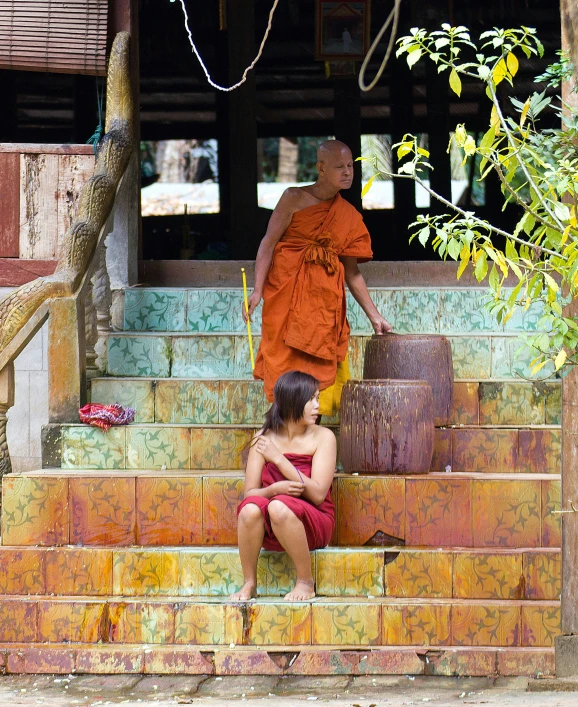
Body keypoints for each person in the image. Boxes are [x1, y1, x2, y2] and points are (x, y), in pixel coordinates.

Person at [243, 139, 393, 417]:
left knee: (317, 373)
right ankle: (281, 437)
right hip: (286, 297)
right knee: (285, 368)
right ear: (321, 168)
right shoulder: (293, 198)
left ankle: (312, 439)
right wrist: (257, 291)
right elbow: (268, 243)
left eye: (350, 166)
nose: (347, 172)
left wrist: (375, 316)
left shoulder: (347, 215)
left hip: (322, 307)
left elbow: (352, 272)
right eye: (340, 167)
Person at [230, 370, 336, 602]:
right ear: (292, 402)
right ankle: (249, 582)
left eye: (317, 398)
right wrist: (274, 490)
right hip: (272, 522)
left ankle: (306, 582)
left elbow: (318, 494)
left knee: (278, 507)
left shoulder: (324, 437)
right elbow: (250, 494)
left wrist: (278, 459)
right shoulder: (264, 438)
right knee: (250, 509)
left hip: (313, 521)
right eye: (311, 400)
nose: (317, 406)